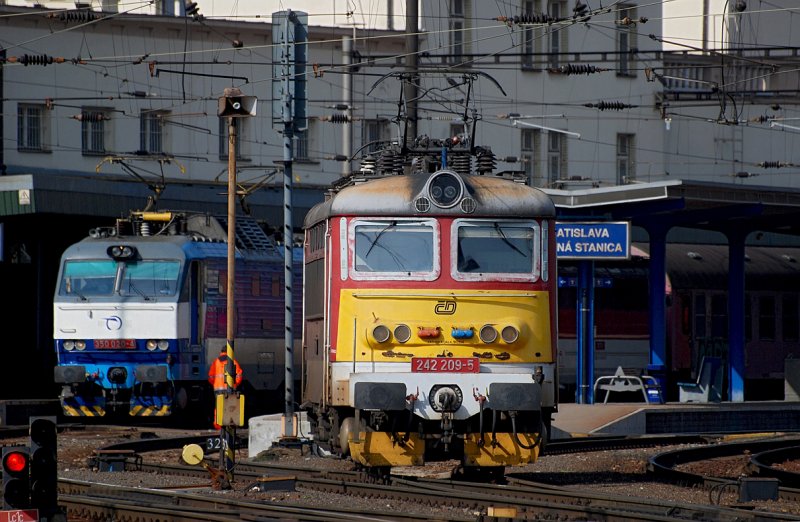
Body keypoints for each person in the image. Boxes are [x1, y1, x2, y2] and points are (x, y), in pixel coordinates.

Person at [208, 347, 243, 428]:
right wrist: (235, 384)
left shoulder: (216, 362)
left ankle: (218, 425)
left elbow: (210, 376)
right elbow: (239, 375)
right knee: (230, 407)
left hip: (218, 389)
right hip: (229, 388)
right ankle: (229, 424)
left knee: (218, 406)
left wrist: (215, 383)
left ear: (221, 352)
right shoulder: (233, 362)